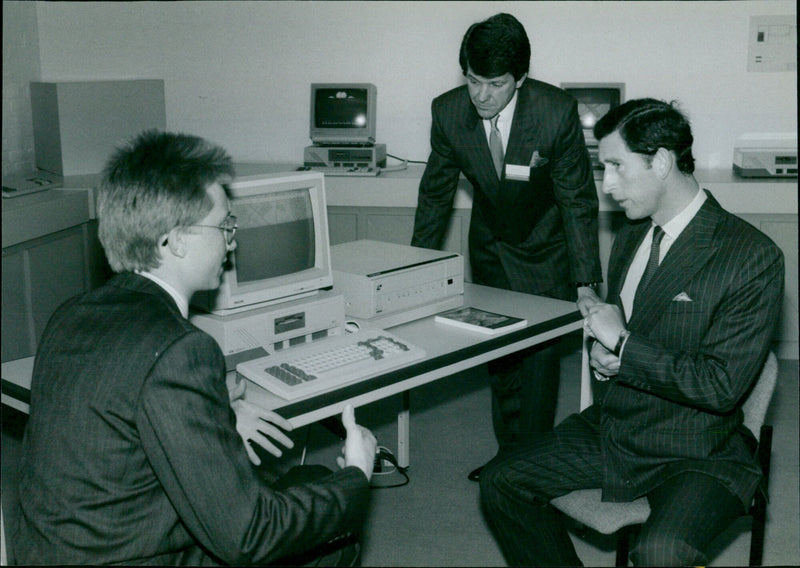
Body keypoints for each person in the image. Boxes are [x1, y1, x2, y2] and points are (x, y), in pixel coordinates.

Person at [14, 130, 377, 565]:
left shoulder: (70, 314)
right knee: (334, 532)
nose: (232, 241)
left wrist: (213, 413)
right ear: (176, 239)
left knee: (309, 477)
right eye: (225, 225)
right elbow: (249, 536)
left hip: (57, 552)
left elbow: (119, 423)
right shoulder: (181, 348)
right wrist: (358, 474)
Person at [479, 98, 784, 566]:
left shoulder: (751, 255)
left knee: (662, 552)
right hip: (618, 427)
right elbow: (629, 335)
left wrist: (623, 345)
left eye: (617, 166)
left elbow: (721, 387)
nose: (608, 186)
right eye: (604, 169)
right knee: (502, 482)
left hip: (702, 446)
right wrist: (608, 362)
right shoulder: (631, 233)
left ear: (661, 161)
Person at [411, 13, 602, 480]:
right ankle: (507, 455)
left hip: (545, 248)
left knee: (537, 364)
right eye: (473, 80)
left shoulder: (554, 112)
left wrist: (586, 282)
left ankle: (527, 468)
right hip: (491, 247)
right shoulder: (449, 111)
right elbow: (435, 193)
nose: (481, 95)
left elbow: (577, 200)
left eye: (495, 84)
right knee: (500, 358)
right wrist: (413, 268)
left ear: (519, 78)